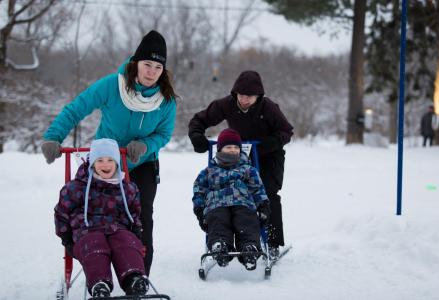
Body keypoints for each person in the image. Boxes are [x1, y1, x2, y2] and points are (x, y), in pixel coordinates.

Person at [41, 30, 177, 275]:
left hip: (141, 163)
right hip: (105, 162)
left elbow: (164, 134)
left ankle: (138, 277)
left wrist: (146, 145)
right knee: (97, 216)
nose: (151, 72)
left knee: (141, 219)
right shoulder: (112, 85)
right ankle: (97, 266)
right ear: (136, 63)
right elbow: (75, 109)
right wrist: (53, 136)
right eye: (147, 64)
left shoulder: (166, 100)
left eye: (158, 67)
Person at [188, 70, 293, 259]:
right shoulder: (226, 105)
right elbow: (199, 120)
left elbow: (286, 131)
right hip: (237, 155)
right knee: (231, 194)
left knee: (267, 194)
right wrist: (197, 136)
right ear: (235, 93)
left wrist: (271, 142)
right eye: (241, 95)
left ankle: (272, 242)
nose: (244, 99)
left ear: (258, 96)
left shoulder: (268, 107)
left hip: (268, 154)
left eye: (250, 96)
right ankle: (227, 239)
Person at [54, 139, 148, 297]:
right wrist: (67, 239)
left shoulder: (127, 189)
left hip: (118, 229)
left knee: (126, 242)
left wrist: (136, 229)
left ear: (117, 163)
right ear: (91, 163)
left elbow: (134, 212)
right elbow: (62, 213)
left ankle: (133, 278)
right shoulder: (76, 188)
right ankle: (100, 283)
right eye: (100, 160)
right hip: (86, 232)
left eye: (110, 160)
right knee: (94, 244)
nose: (106, 165)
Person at [192, 128, 271, 270]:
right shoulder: (208, 172)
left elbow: (258, 189)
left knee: (246, 220)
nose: (233, 150)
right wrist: (199, 209)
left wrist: (263, 205)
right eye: (229, 147)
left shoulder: (248, 170)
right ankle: (220, 246)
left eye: (236, 147)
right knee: (218, 221)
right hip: (216, 205)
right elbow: (199, 191)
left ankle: (249, 248)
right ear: (220, 149)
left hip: (243, 202)